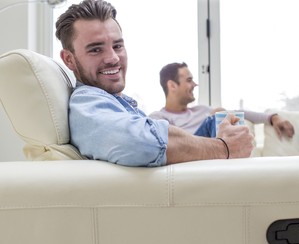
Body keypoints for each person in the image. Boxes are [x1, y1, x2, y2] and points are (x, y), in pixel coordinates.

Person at [55, 0, 254, 167]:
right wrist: (225, 148)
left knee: (221, 121)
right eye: (96, 50)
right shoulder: (86, 102)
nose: (113, 58)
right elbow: (139, 143)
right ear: (69, 59)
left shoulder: (113, 102)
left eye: (117, 46)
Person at [149, 62, 295, 138]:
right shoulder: (159, 118)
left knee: (224, 113)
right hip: (191, 155)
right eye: (189, 80)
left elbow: (238, 112)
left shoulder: (201, 110)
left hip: (216, 152)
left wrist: (272, 117)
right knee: (219, 113)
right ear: (172, 85)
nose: (195, 84)